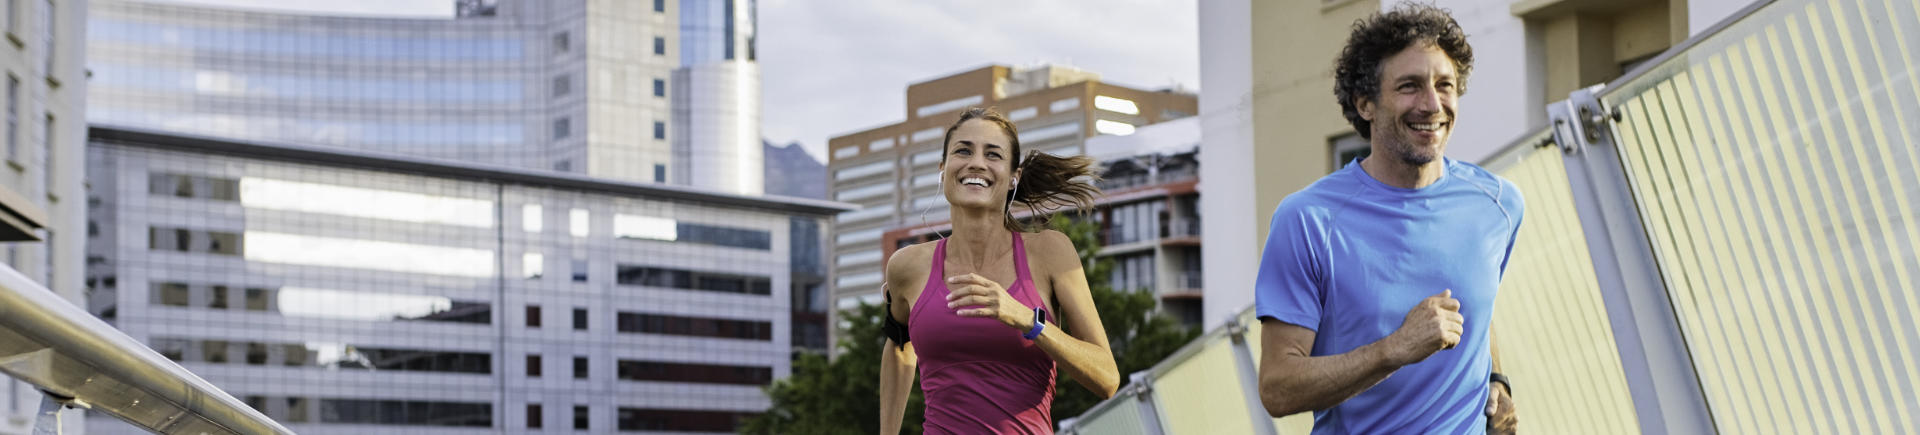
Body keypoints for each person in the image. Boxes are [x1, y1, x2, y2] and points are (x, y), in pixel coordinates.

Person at [1253, 4, 1523, 434]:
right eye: (1409, 87)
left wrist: (1497, 379)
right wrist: (1394, 349)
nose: (1432, 104)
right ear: (1365, 104)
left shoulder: (1498, 204)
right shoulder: (1307, 219)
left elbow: (1477, 308)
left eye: (1445, 85)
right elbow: (1277, 388)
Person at [877, 107, 1119, 434]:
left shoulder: (1050, 252)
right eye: (963, 150)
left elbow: (1106, 378)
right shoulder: (907, 266)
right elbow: (898, 343)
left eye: (993, 154)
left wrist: (1025, 319)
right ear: (943, 168)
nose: (976, 162)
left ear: (1013, 177)